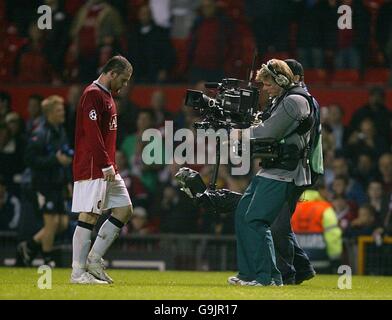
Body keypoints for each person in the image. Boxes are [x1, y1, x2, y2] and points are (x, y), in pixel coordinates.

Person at [228, 59, 319, 286]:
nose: (265, 89)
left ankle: (269, 277)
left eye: (268, 84)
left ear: (281, 79)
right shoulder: (282, 99)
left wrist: (241, 133)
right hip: (272, 168)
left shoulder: (295, 101)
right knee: (243, 214)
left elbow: (269, 132)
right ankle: (248, 274)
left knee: (257, 220)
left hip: (285, 171)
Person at [70, 55, 133, 284]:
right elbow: (91, 132)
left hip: (108, 167)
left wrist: (110, 165)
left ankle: (94, 261)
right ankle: (77, 272)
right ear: (112, 73)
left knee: (124, 210)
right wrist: (105, 164)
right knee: (89, 214)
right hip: (94, 166)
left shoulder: (106, 96)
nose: (124, 85)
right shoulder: (93, 94)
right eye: (123, 80)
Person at [267, 58, 320, 285]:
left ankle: (287, 274)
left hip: (299, 168)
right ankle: (303, 268)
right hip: (298, 167)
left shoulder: (300, 100)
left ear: (296, 77)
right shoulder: (293, 98)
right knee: (280, 221)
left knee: (277, 222)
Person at [17, 95, 72, 267]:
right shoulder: (40, 134)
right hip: (42, 184)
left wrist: (67, 182)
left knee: (62, 223)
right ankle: (47, 260)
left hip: (57, 184)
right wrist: (55, 161)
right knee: (51, 223)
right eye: (58, 110)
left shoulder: (60, 131)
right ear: (49, 113)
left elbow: (62, 156)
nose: (62, 112)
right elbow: (29, 160)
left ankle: (29, 246)